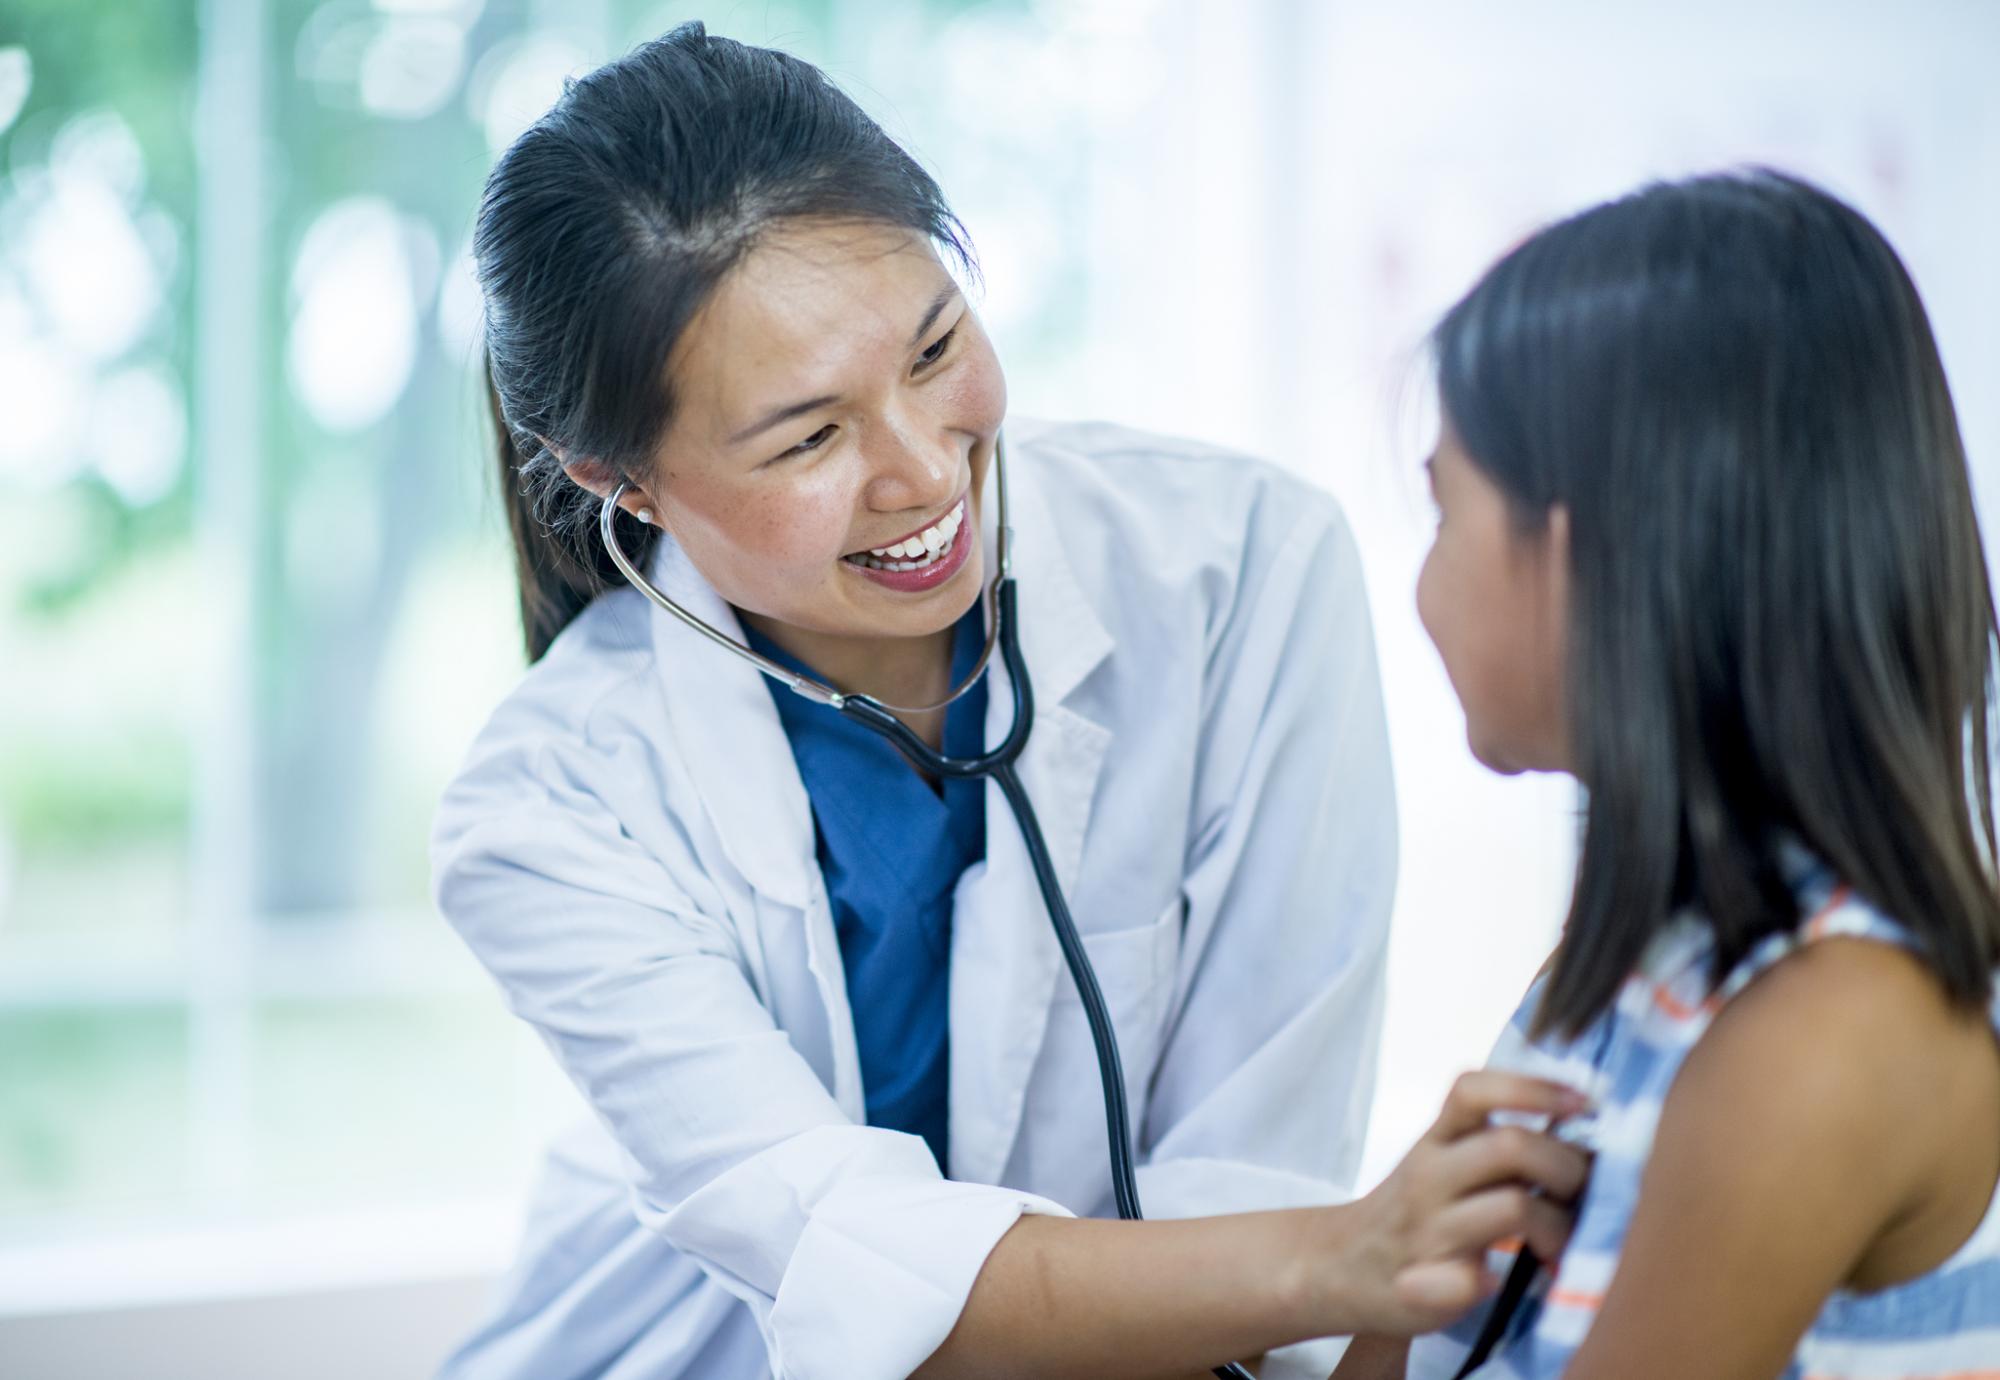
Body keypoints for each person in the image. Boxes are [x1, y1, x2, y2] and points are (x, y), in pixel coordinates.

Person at [433, 23, 1587, 1380]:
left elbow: (1251, 1170)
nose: (924, 471)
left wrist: (1339, 1261)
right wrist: (1350, 1258)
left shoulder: (1242, 572)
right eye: (809, 436)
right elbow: (853, 1276)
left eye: (934, 350)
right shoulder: (548, 806)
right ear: (626, 484)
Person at [1337, 170, 2000, 1379]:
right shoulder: (1627, 982)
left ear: (1579, 557)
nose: (1421, 584)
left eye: (1443, 512)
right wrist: (1390, 1271)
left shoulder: (1824, 1036)